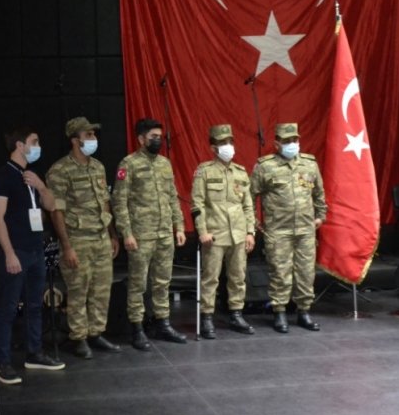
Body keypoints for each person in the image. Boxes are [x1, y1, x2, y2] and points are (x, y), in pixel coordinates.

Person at [0, 125, 65, 384]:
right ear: (20, 146)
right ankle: (2, 362)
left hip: (35, 250)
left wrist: (41, 186)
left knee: (35, 305)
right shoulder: (4, 175)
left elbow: (51, 206)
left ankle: (34, 353)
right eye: (34, 142)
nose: (38, 146)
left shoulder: (32, 175)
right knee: (8, 309)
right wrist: (9, 254)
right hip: (16, 251)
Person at [46, 117, 122, 359]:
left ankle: (96, 333)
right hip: (76, 239)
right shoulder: (60, 170)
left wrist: (112, 234)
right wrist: (66, 246)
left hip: (100, 237)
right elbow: (56, 211)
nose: (93, 139)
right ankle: (78, 337)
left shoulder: (98, 167)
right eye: (88, 135)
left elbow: (105, 202)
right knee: (78, 290)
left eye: (94, 135)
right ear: (74, 140)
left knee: (102, 289)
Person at [111, 118, 187, 350]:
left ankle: (162, 323)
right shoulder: (129, 164)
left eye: (160, 137)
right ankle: (137, 328)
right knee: (138, 284)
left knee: (163, 282)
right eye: (153, 137)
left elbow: (172, 196)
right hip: (141, 235)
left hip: (164, 234)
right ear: (141, 139)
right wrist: (126, 233)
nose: (158, 140)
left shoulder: (165, 163)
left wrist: (179, 226)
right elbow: (119, 201)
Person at [250, 123, 327, 334]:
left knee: (306, 272)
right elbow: (250, 195)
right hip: (278, 230)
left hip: (305, 229)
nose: (292, 144)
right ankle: (279, 311)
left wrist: (320, 216)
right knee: (279, 272)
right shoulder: (265, 166)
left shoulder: (309, 164)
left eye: (295, 140)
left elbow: (319, 193)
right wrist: (253, 222)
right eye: (286, 141)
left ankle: (304, 311)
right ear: (277, 144)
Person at [190, 124, 256, 339]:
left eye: (230, 142)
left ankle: (236, 314)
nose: (228, 146)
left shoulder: (241, 172)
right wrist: (202, 231)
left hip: (238, 234)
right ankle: (207, 316)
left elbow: (248, 206)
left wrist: (250, 232)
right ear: (213, 148)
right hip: (215, 234)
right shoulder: (204, 171)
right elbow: (197, 204)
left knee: (238, 277)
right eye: (222, 143)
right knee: (210, 278)